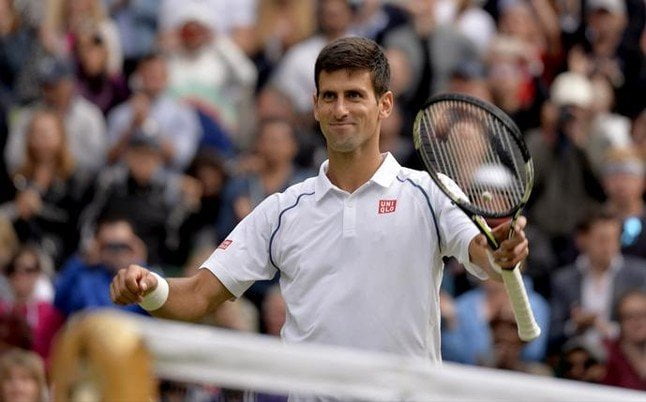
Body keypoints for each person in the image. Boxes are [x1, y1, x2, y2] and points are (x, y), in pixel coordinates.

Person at [110, 38, 529, 365]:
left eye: (354, 95)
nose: (340, 108)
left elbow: (485, 254)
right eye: (329, 96)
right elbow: (200, 294)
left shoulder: (429, 193)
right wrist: (150, 288)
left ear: (384, 105)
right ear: (314, 106)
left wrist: (502, 250)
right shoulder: (282, 211)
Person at [602, 290, 646, 390]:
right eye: (629, 317)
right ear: (620, 322)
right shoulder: (606, 355)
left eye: (642, 315)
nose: (636, 323)